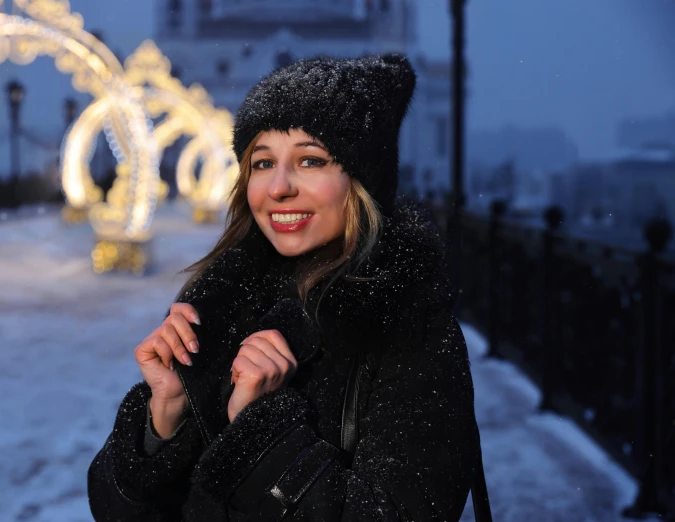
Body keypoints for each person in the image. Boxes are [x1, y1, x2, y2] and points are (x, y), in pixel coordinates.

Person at [88, 54, 484, 521]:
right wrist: (165, 416)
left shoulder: (409, 331)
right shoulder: (217, 306)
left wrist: (260, 428)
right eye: (262, 162)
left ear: (361, 181)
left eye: (310, 160)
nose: (278, 187)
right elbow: (119, 512)